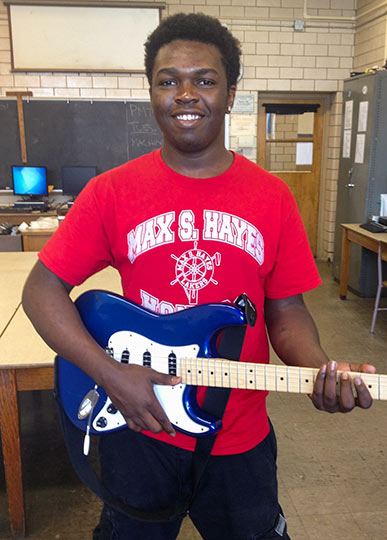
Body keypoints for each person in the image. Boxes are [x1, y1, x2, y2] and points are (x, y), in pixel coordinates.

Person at [22, 12, 375, 540]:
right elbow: (41, 290)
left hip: (240, 440)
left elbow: (286, 311)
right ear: (152, 93)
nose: (186, 93)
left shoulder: (273, 197)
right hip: (141, 429)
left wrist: (320, 370)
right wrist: (113, 377)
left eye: (204, 80)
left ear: (230, 94)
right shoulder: (111, 193)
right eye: (169, 81)